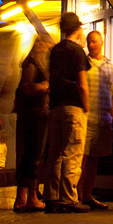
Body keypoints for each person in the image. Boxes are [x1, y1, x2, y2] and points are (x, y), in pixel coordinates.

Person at [45, 12, 91, 213]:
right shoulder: (77, 51)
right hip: (73, 106)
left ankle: (51, 196)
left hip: (55, 106)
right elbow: (82, 83)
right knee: (72, 152)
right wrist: (86, 106)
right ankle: (68, 198)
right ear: (78, 29)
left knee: (54, 153)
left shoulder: (55, 51)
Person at [78, 30, 113, 210]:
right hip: (87, 118)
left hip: (103, 119)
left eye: (93, 41)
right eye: (88, 41)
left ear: (101, 42)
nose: (90, 45)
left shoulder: (111, 67)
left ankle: (87, 194)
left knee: (94, 160)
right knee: (82, 159)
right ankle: (77, 195)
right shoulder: (84, 64)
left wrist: (111, 114)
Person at [13, 37, 50, 213]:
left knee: (28, 156)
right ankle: (31, 197)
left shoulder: (32, 64)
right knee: (33, 156)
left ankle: (22, 197)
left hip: (33, 113)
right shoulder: (33, 65)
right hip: (35, 114)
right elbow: (26, 89)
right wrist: (45, 86)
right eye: (44, 44)